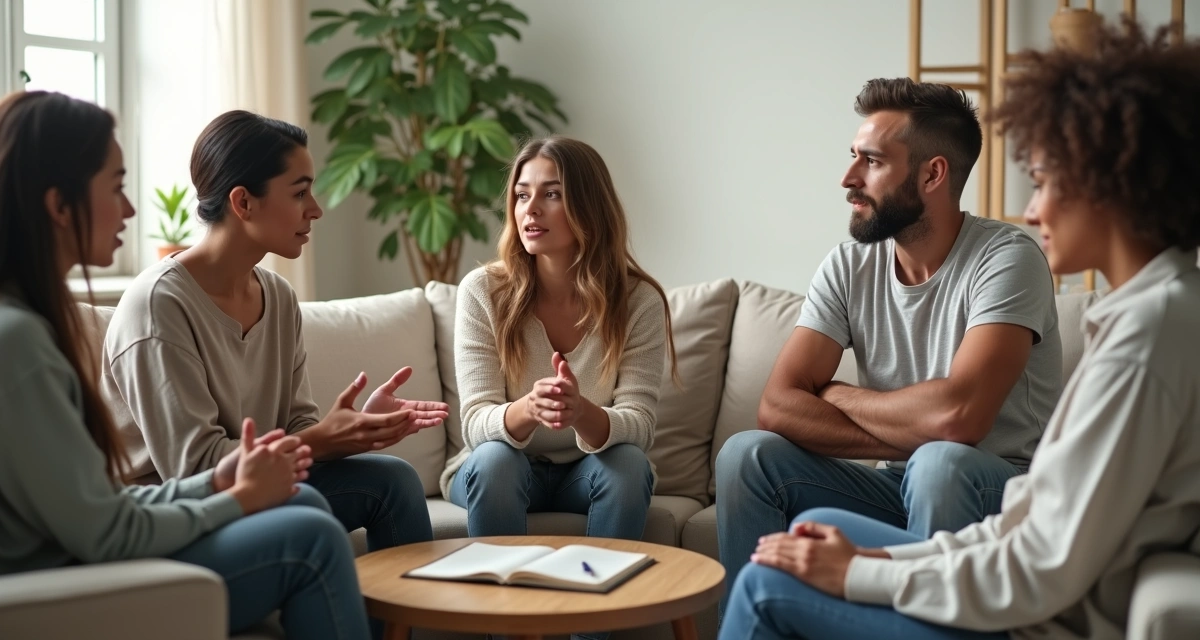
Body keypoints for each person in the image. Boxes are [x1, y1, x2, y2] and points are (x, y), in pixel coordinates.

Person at [719, 18, 1200, 640]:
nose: (1032, 207)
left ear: (1110, 184)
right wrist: (869, 561)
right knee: (762, 493)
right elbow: (1026, 532)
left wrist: (863, 571)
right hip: (995, 557)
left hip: (1033, 609)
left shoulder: (1144, 338)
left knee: (787, 570)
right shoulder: (1151, 314)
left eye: (1046, 180)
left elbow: (1034, 559)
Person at [0, 91, 371, 639]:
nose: (130, 210)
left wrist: (220, 478)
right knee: (310, 539)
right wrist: (233, 497)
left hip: (81, 556)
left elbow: (96, 506)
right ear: (58, 204)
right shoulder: (16, 340)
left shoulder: (19, 324)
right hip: (59, 586)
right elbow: (105, 531)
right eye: (116, 187)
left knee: (314, 506)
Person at [714, 76, 1063, 608]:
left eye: (871, 162)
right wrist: (912, 433)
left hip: (999, 492)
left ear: (932, 174)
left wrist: (837, 395)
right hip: (900, 483)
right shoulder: (848, 265)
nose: (847, 178)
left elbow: (959, 419)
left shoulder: (1007, 258)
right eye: (853, 156)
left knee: (941, 464)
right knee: (747, 456)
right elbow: (778, 405)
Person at [101, 110, 447, 555]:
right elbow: (192, 473)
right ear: (243, 202)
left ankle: (404, 624)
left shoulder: (278, 297)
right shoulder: (158, 305)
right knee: (300, 501)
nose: (316, 209)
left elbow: (297, 428)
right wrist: (321, 438)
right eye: (300, 192)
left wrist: (354, 428)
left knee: (393, 480)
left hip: (256, 487)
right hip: (174, 516)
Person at [442, 136, 678, 541]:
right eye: (520, 195)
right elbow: (476, 427)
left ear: (590, 206)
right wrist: (531, 408)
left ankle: (603, 596)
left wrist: (579, 411)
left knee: (629, 465)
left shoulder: (638, 300)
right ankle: (499, 602)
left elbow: (640, 427)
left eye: (551, 193)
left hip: (586, 472)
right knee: (496, 461)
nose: (529, 209)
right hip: (501, 468)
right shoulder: (482, 291)